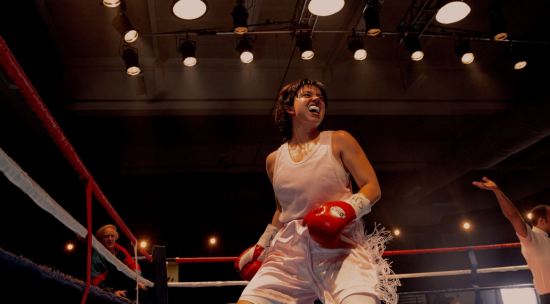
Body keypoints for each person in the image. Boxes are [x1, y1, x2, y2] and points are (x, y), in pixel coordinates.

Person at [234, 79, 399, 304]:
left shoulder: (339, 140)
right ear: (290, 108)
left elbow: (372, 187)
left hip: (340, 250)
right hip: (288, 256)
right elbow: (282, 209)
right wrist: (262, 246)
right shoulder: (273, 160)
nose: (317, 99)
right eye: (308, 94)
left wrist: (343, 211)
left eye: (321, 97)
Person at [472, 177, 550, 303]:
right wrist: (497, 191)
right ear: (542, 220)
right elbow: (513, 216)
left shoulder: (546, 240)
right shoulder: (531, 239)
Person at [91, 224, 144, 299]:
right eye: (106, 236)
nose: (110, 239)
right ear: (101, 239)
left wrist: (140, 280)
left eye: (112, 236)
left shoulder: (120, 249)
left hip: (120, 286)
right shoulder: (97, 256)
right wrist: (112, 292)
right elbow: (96, 281)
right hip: (105, 291)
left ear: (115, 238)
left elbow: (132, 264)